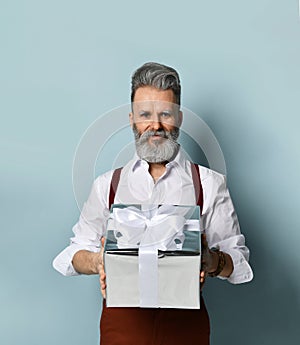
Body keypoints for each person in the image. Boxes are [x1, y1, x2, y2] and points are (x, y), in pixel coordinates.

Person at [53, 62, 253, 345]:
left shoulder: (208, 184)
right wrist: (97, 261)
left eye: (165, 114)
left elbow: (239, 261)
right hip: (122, 328)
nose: (155, 125)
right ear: (132, 118)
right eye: (145, 114)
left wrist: (211, 261)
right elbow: (74, 251)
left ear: (180, 118)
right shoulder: (107, 186)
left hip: (186, 330)